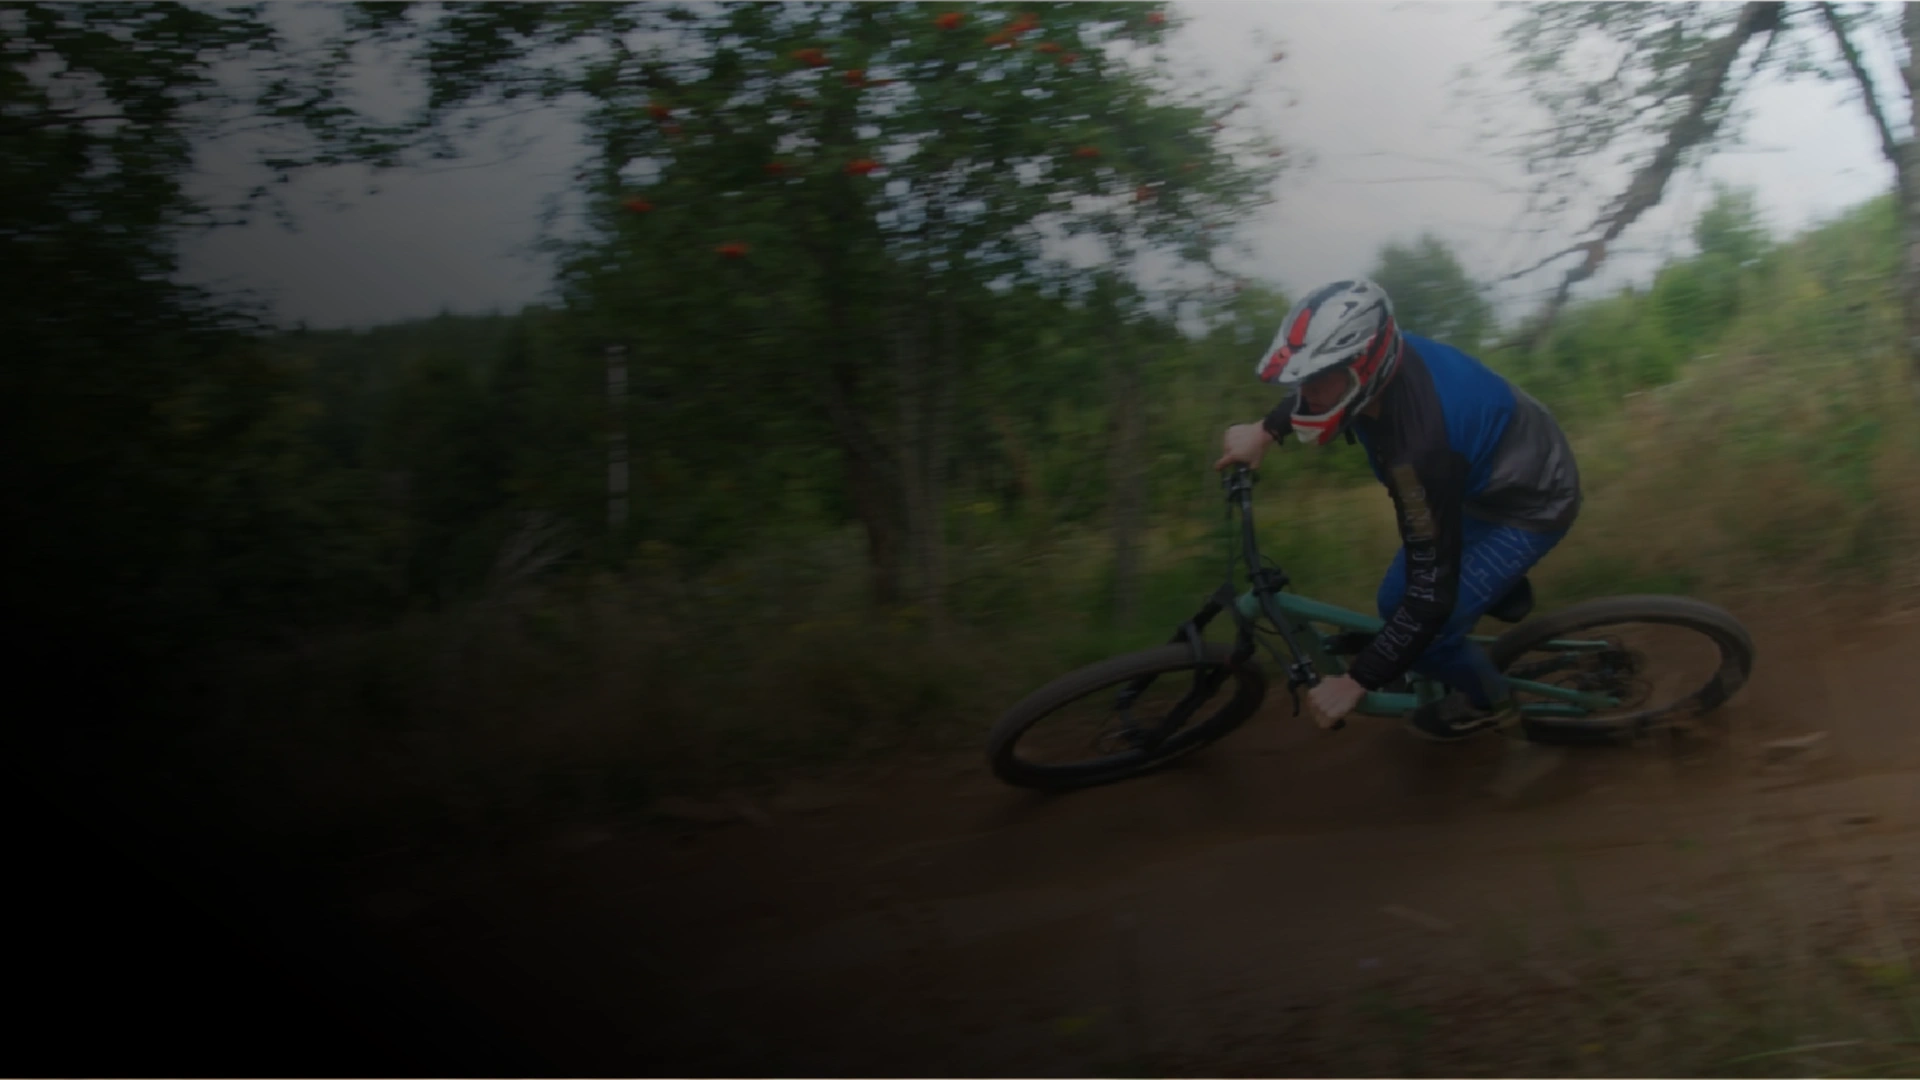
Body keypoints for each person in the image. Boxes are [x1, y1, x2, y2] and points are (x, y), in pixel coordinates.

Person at [1213, 279, 1582, 741]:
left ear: (1366, 368)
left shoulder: (1419, 452)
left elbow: (1428, 600)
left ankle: (1492, 704)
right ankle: (1482, 594)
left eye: (1319, 379)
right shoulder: (1381, 361)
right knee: (1393, 604)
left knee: (1431, 628)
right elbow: (1320, 393)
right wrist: (1265, 430)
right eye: (1304, 380)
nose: (1307, 395)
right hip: (1490, 470)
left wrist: (1356, 680)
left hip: (1531, 503)